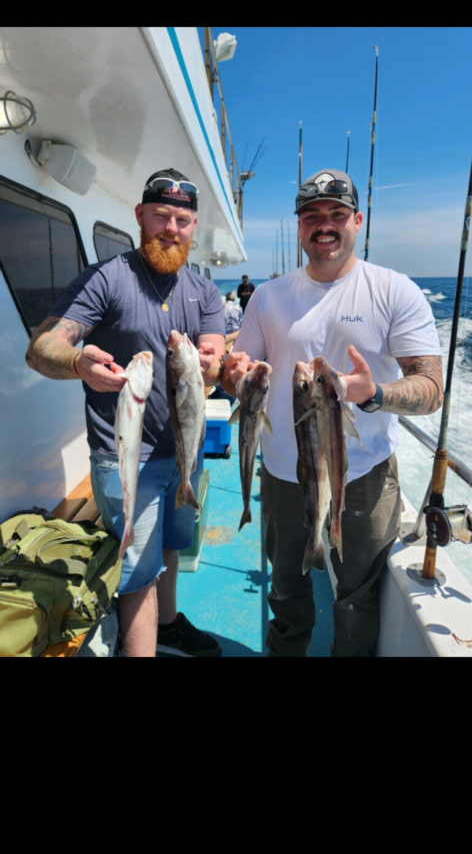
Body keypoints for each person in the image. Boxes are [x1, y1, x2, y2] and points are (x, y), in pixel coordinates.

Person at [221, 169, 443, 657]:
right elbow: (237, 373)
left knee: (357, 597)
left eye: (337, 214)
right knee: (285, 589)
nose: (325, 225)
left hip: (364, 474)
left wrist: (374, 394)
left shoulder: (394, 289)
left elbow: (431, 389)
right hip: (281, 473)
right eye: (312, 216)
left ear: (357, 220)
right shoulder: (268, 296)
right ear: (299, 226)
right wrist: (231, 372)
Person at [25, 169, 226, 658]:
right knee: (138, 575)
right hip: (125, 460)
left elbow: (215, 363)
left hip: (184, 453)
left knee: (172, 546)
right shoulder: (106, 279)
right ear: (140, 215)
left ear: (194, 225)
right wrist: (77, 362)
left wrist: (212, 366)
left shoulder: (205, 292)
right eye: (161, 215)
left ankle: (170, 624)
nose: (171, 229)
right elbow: (41, 348)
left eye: (182, 219)